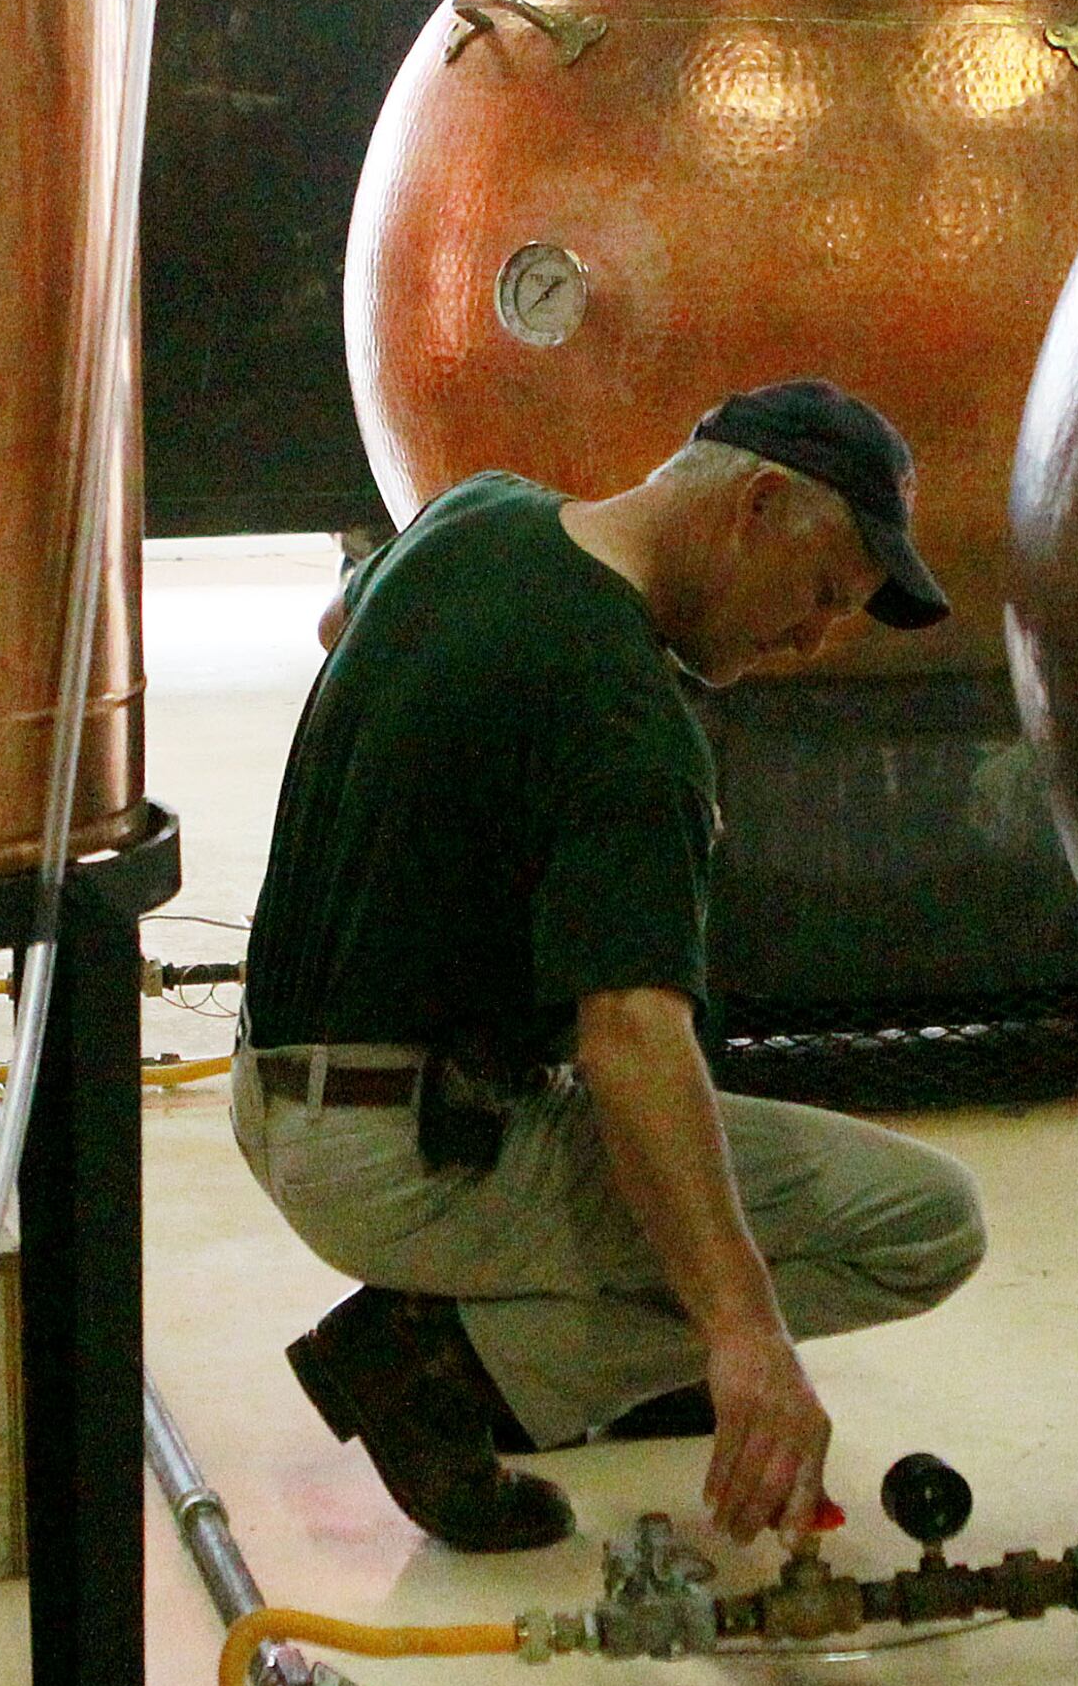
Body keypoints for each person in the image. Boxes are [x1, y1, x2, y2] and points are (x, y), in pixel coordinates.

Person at [231, 380, 988, 1553]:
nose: (810, 641)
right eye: (824, 592)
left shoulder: (480, 513)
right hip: (400, 1153)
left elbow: (342, 628)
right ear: (759, 504)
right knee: (923, 1222)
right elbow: (631, 1040)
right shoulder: (629, 720)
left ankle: (588, 1352)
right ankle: (441, 1368)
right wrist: (746, 1339)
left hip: (285, 1087)